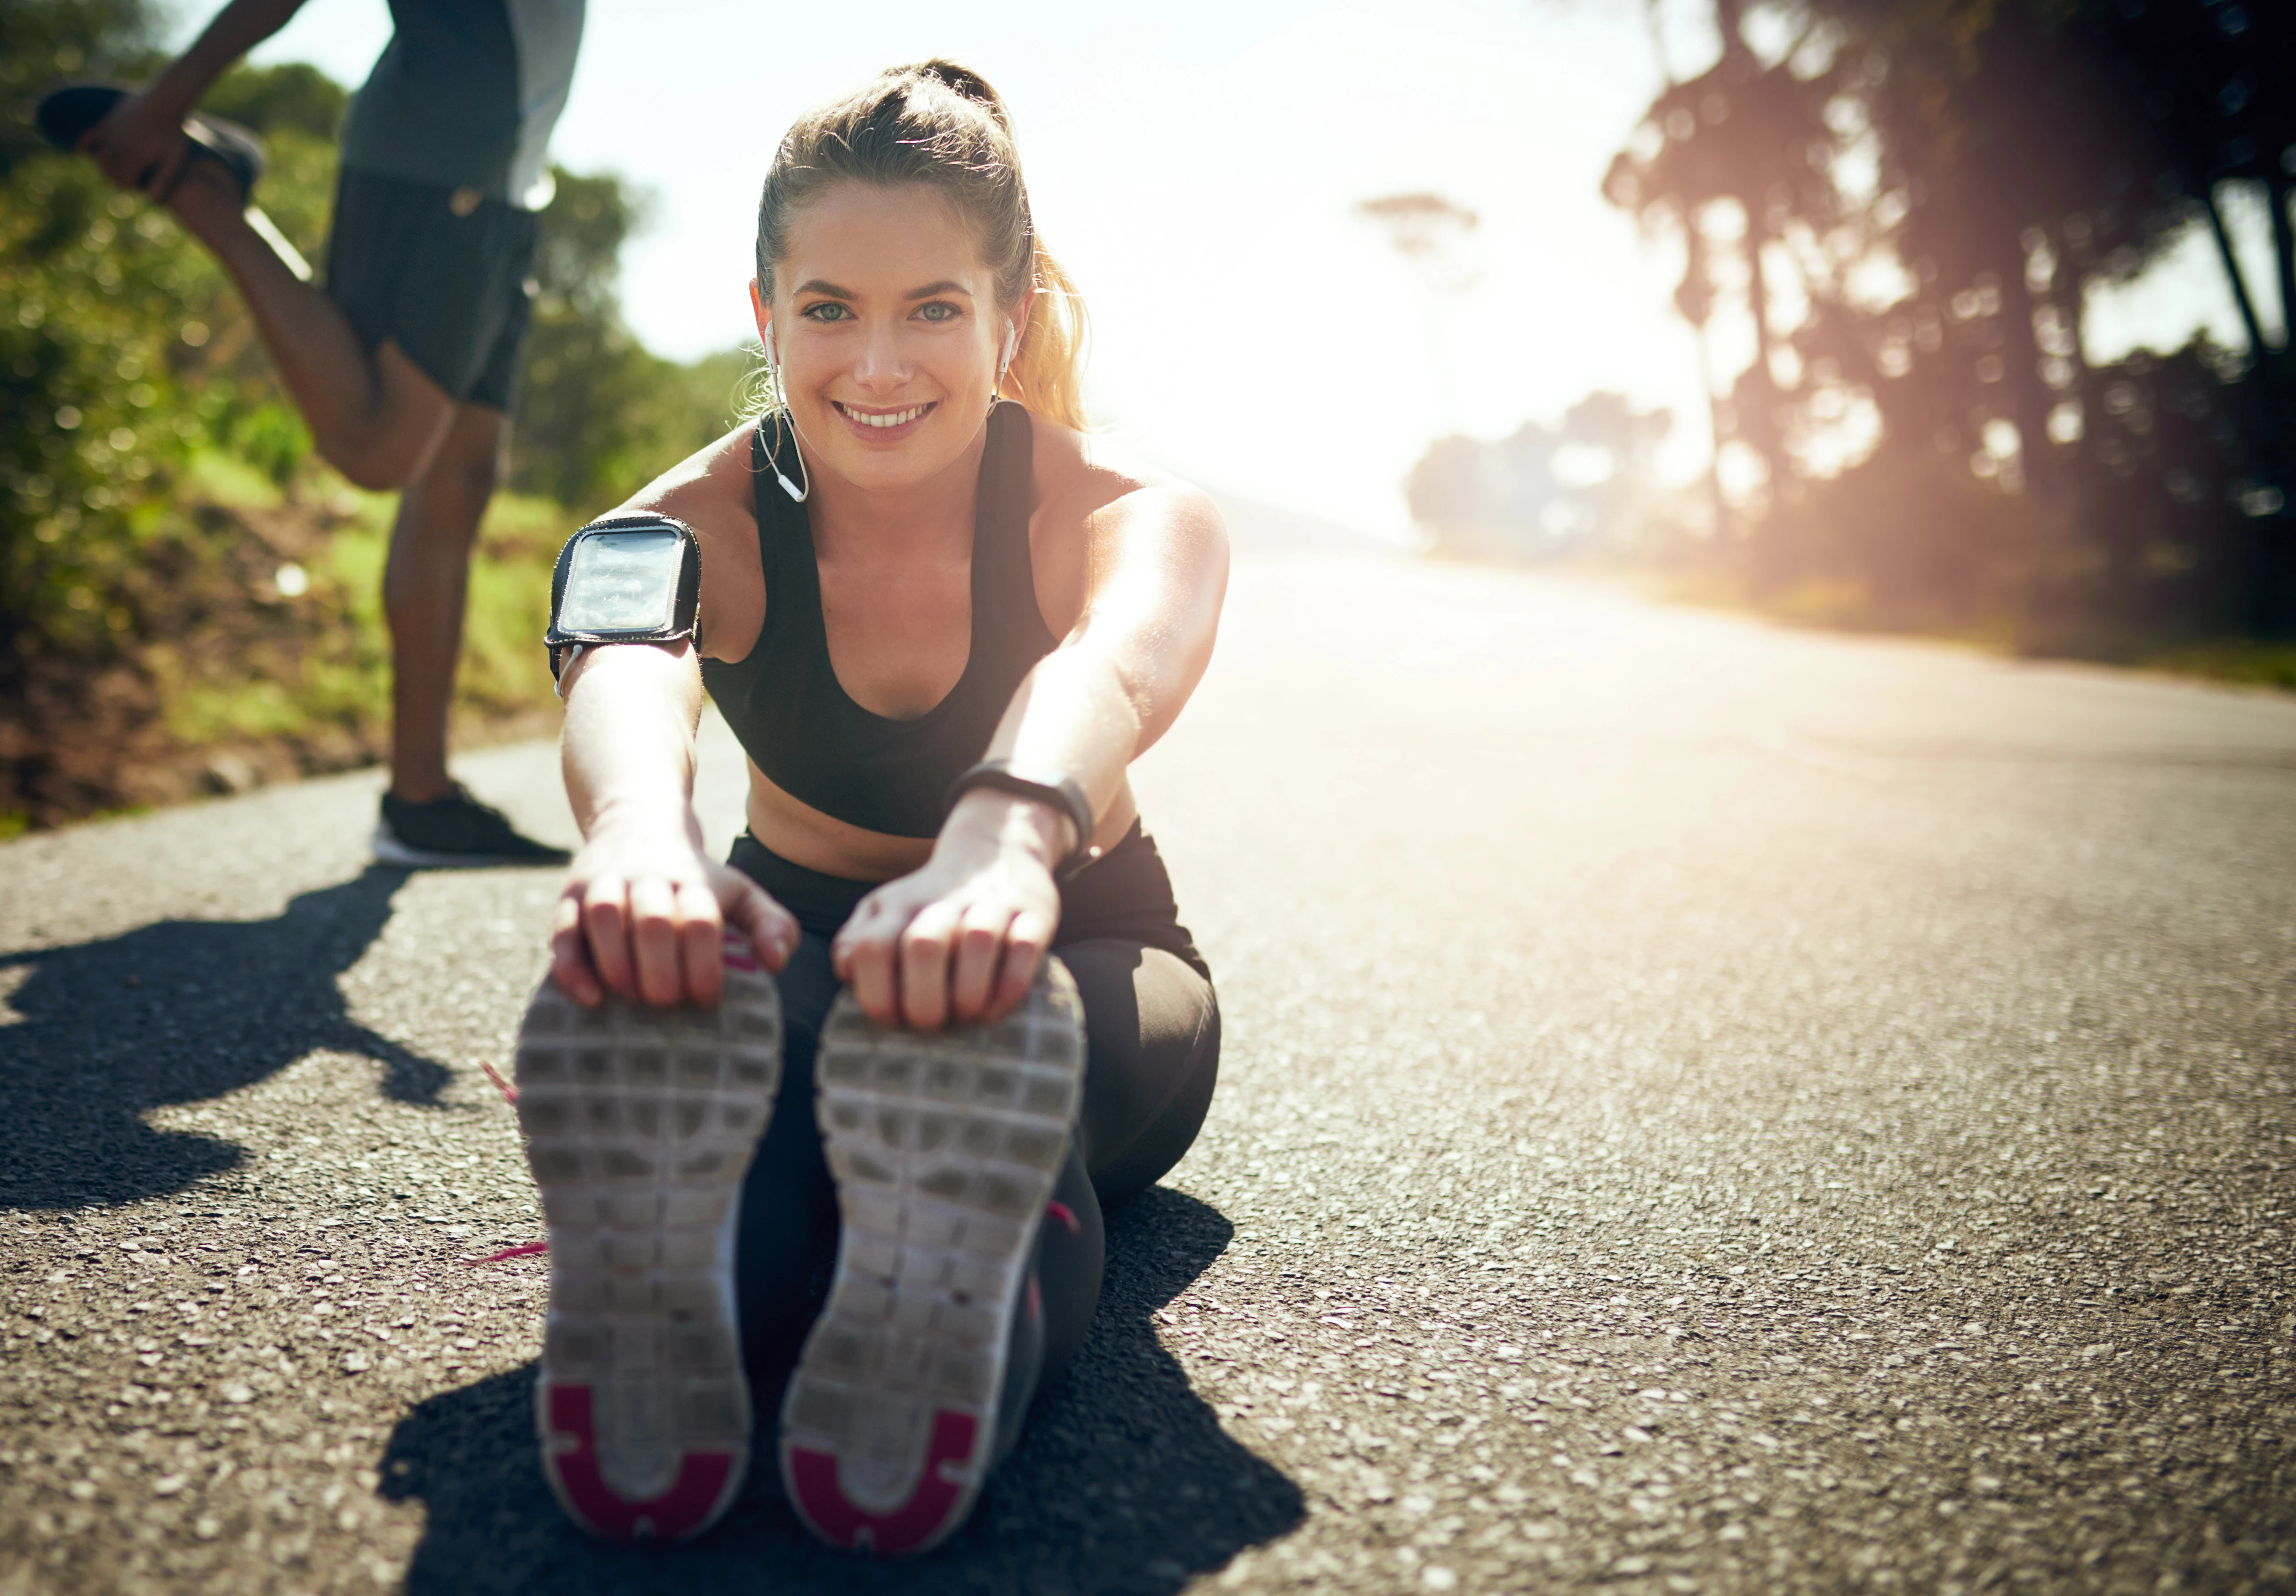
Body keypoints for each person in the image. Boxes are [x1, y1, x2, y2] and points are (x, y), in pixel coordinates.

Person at [510, 61, 1229, 1554]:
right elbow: (625, 667)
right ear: (765, 314)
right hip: (795, 954)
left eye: (934, 310)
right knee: (786, 1188)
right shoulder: (675, 525)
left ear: (1010, 318)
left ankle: (933, 1347)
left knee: (1000, 1090)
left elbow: (1116, 660)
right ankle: (676, 1331)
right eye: (830, 308)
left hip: (1076, 954)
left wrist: (1003, 841)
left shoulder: (1124, 510)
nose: (879, 363)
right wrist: (641, 836)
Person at [42, 0, 583, 867]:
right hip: (436, 155)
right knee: (378, 448)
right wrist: (163, 104)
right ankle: (207, 197)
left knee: (458, 478)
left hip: (510, 184)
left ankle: (420, 799)